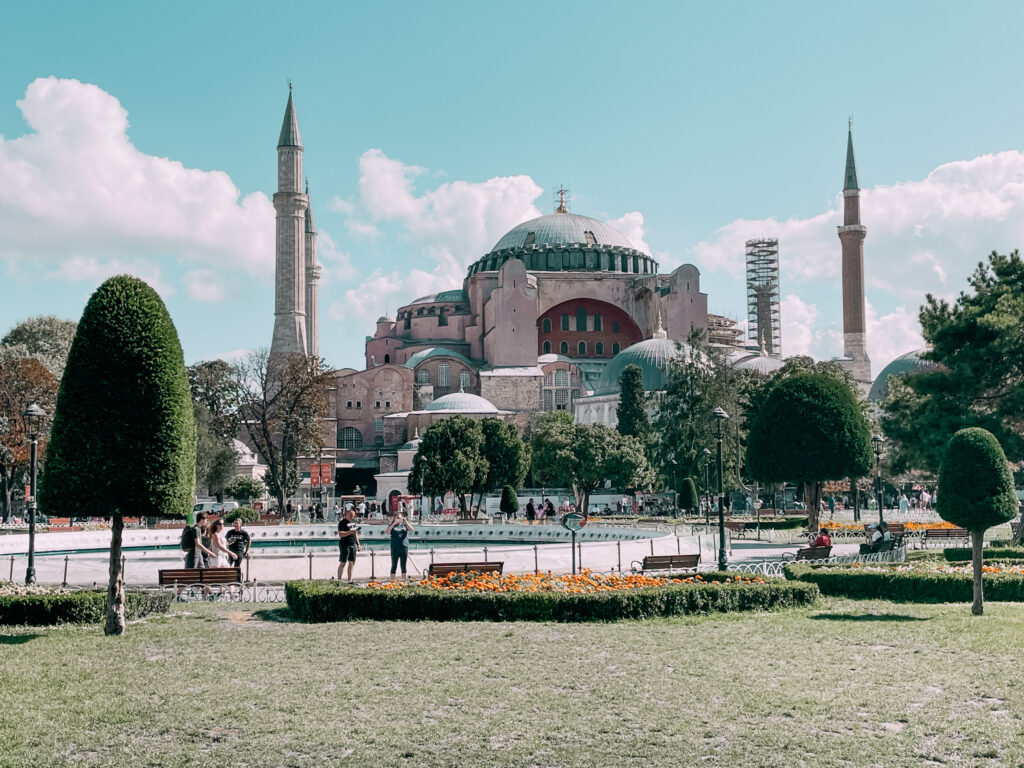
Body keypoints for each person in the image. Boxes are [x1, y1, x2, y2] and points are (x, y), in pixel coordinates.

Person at [386, 511, 414, 580]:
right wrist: (394, 524)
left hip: (404, 546)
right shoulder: (392, 525)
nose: (398, 518)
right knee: (394, 564)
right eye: (397, 517)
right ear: (394, 518)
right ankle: (392, 580)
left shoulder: (404, 525)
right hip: (395, 546)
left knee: (403, 565)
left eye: (400, 517)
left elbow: (412, 530)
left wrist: (406, 522)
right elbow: (387, 532)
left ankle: (404, 580)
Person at [337, 508, 362, 582]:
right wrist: (350, 532)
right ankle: (339, 579)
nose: (352, 517)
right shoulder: (342, 523)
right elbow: (341, 534)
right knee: (343, 562)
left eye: (353, 516)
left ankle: (350, 580)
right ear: (346, 515)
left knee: (352, 562)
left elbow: (355, 534)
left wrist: (358, 544)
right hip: (345, 544)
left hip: (352, 544)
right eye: (350, 516)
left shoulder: (353, 523)